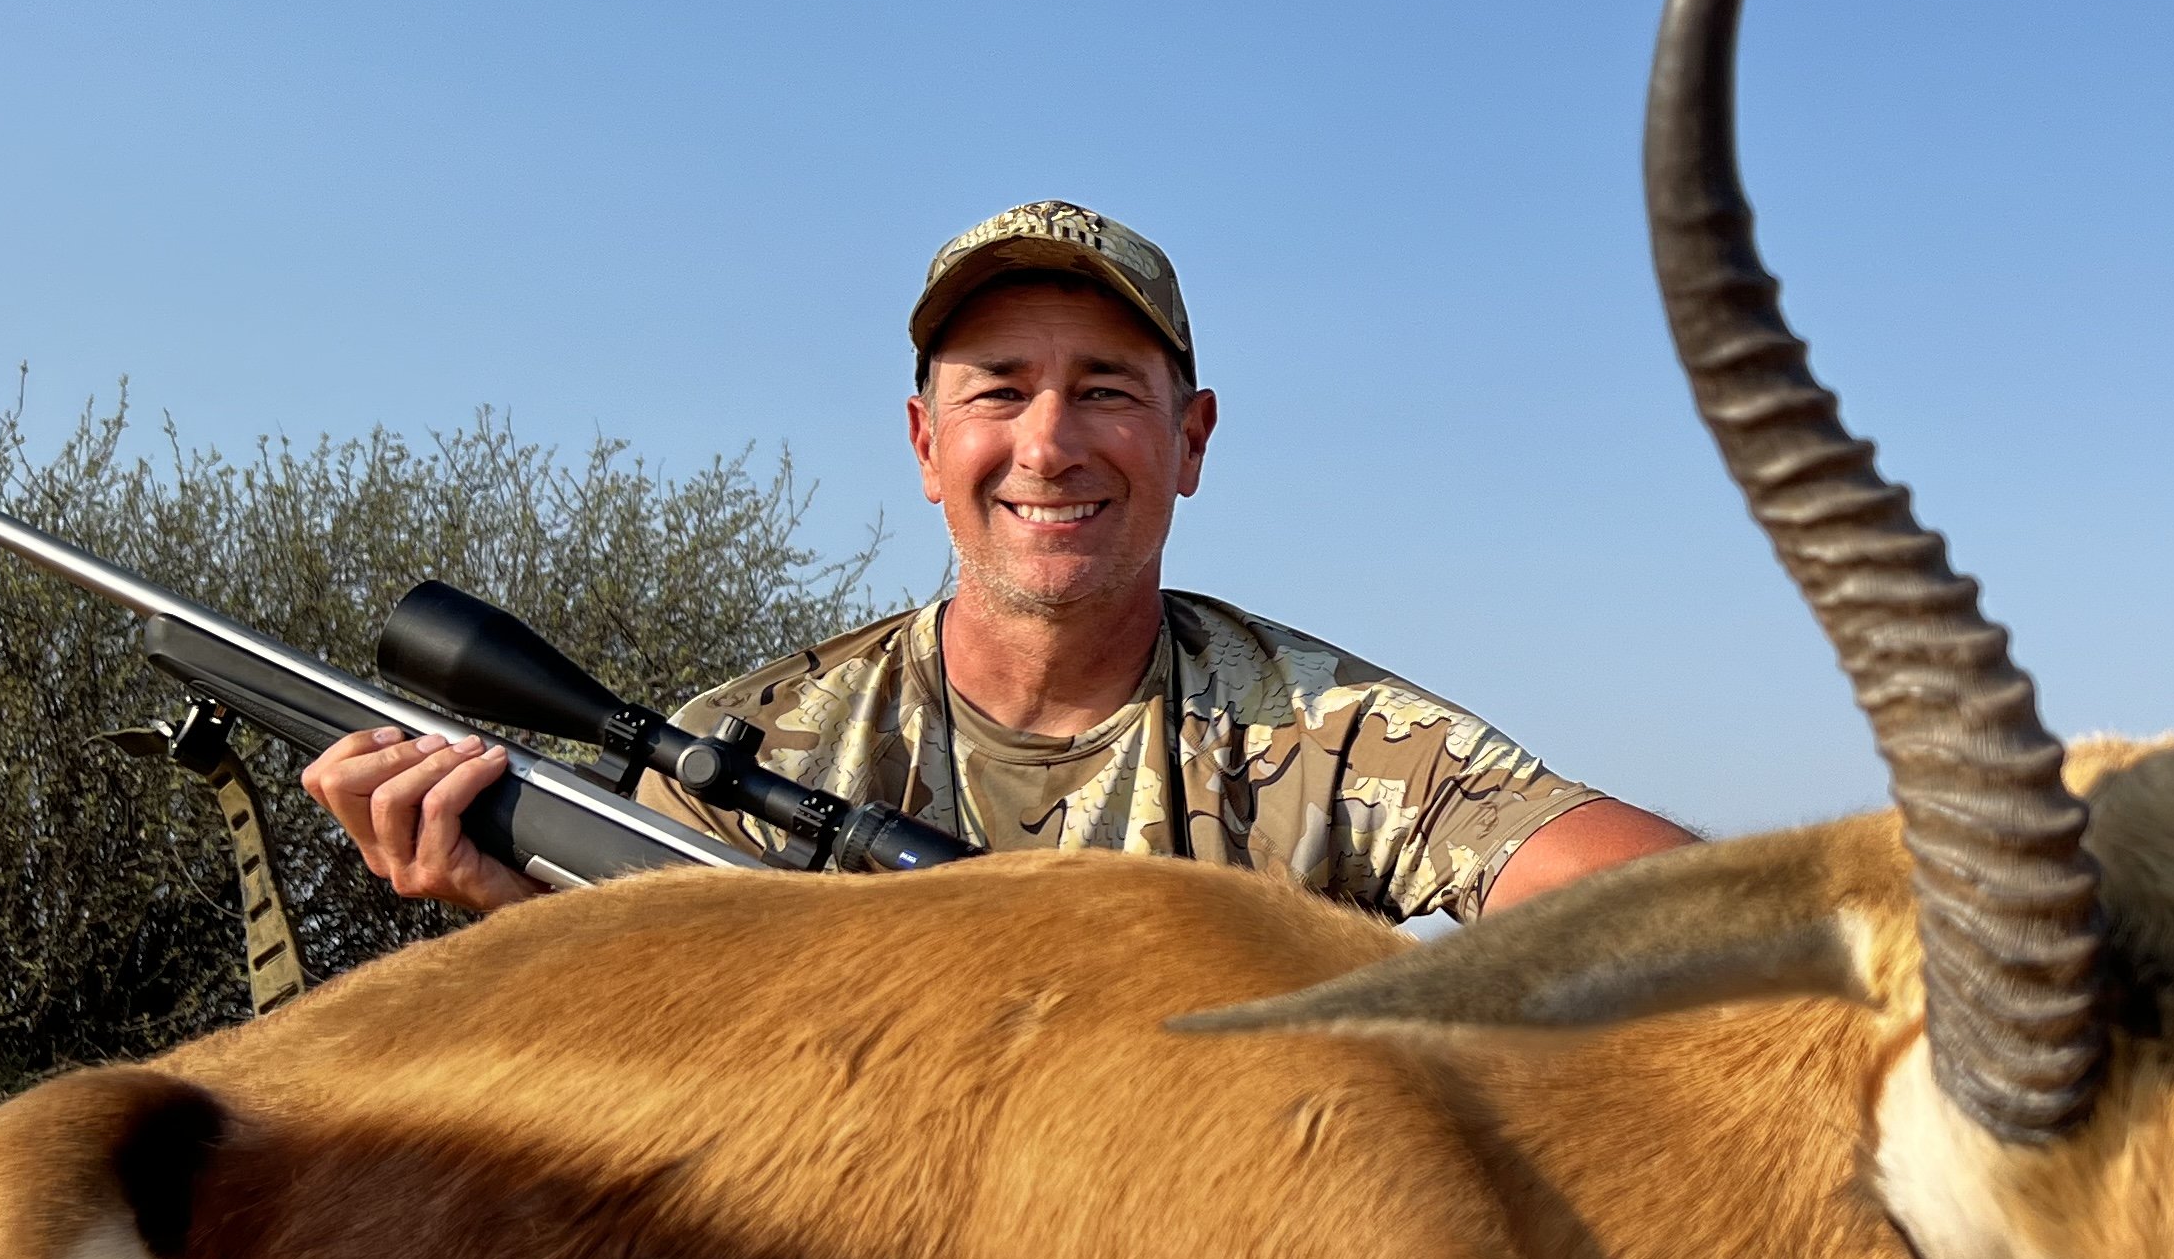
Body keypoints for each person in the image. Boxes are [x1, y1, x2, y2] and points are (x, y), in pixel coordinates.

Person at [305, 202, 1696, 921]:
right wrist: (504, 908)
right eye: (997, 389)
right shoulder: (743, 748)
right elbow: (645, 1056)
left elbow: (1660, 904)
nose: (1049, 443)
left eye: (1104, 388)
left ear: (1189, 439)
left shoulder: (1326, 736)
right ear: (924, 443)